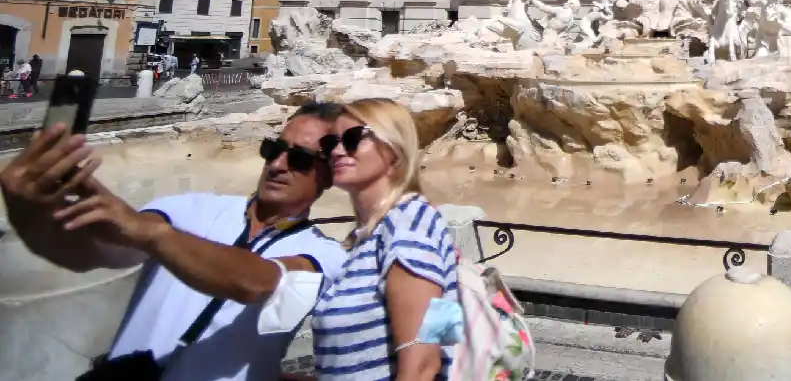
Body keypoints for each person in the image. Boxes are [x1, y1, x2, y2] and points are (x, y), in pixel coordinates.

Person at [0, 101, 347, 381]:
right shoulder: (189, 208)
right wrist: (28, 212)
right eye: (273, 149)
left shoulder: (325, 255)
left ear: (329, 175)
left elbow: (257, 283)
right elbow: (94, 251)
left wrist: (151, 234)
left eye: (299, 158)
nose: (278, 164)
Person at [310, 99, 461, 381]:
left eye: (353, 138)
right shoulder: (369, 236)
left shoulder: (408, 223)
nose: (338, 150)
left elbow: (423, 365)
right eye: (331, 142)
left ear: (394, 149)